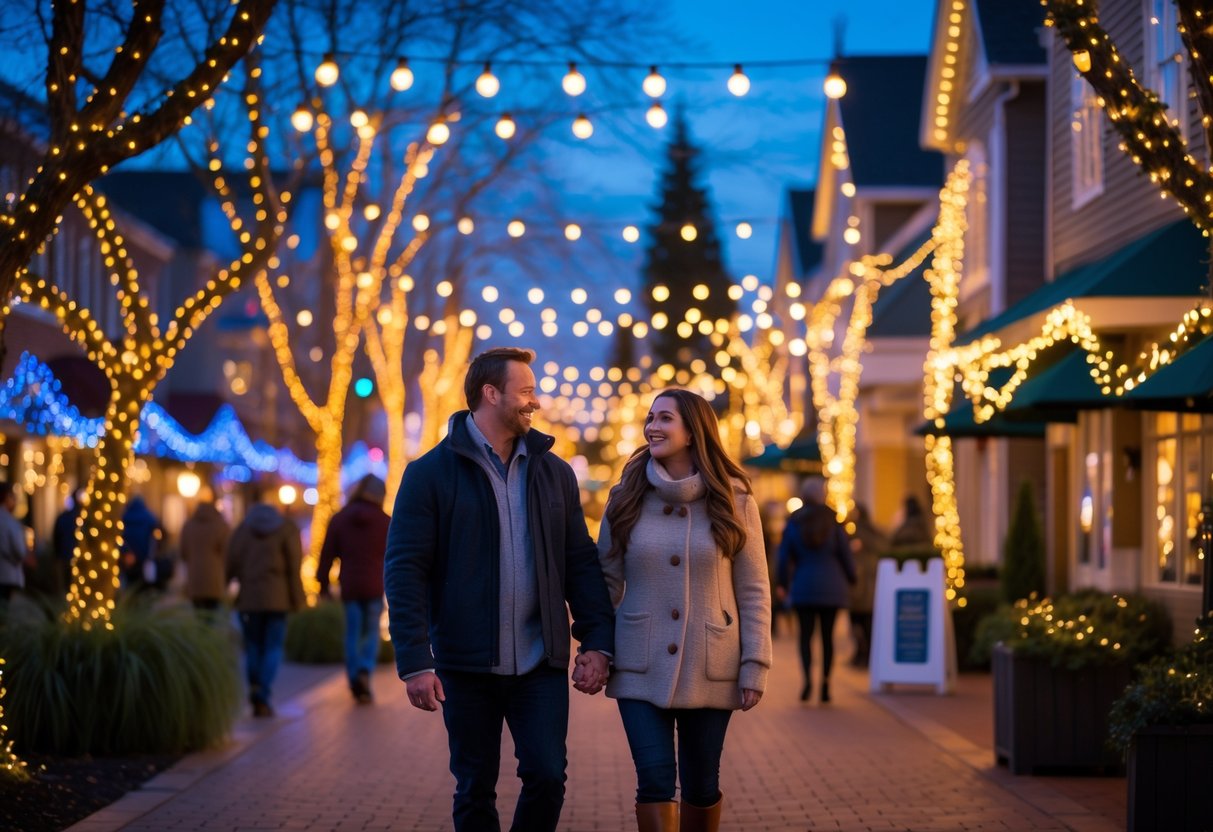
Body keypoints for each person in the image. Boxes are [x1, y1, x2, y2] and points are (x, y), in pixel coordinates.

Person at [384, 346, 614, 832]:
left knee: (548, 777)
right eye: (526, 391)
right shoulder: (429, 474)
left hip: (539, 662)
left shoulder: (554, 473)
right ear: (491, 394)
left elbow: (579, 561)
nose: (535, 402)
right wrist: (415, 661)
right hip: (465, 665)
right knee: (474, 787)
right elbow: (405, 570)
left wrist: (597, 641)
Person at [597, 389, 772, 832]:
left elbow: (753, 590)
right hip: (638, 661)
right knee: (654, 778)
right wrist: (596, 647)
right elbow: (605, 582)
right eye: (650, 417)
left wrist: (755, 665)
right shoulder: (626, 497)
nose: (652, 426)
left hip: (712, 662)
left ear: (693, 432)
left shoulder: (736, 501)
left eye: (665, 418)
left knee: (701, 784)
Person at [776, 477, 856, 704]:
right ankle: (826, 683)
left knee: (805, 637)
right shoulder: (834, 521)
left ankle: (807, 681)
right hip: (832, 586)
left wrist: (782, 583)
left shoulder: (793, 522)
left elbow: (783, 557)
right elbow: (845, 553)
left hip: (803, 587)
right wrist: (852, 577)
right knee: (828, 638)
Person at [226, 492, 305, 717]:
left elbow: (231, 560)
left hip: (249, 599)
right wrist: (297, 599)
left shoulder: (243, 529)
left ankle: (254, 685)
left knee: (252, 645)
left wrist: (228, 583)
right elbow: (294, 566)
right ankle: (263, 691)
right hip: (278, 600)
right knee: (273, 647)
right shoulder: (286, 529)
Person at [317, 473, 390, 704]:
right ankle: (365, 671)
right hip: (375, 586)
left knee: (352, 634)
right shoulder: (386, 521)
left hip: (349, 585)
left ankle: (353, 677)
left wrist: (323, 585)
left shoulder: (340, 518)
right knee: (371, 633)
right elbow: (395, 556)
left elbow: (326, 555)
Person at [846, 503, 888, 668]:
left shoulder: (863, 534)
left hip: (863, 587)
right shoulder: (857, 534)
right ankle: (863, 653)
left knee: (862, 623)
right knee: (862, 623)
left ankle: (866, 654)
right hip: (860, 588)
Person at [179, 487, 231, 612]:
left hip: (195, 580)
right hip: (215, 582)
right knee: (211, 618)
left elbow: (183, 552)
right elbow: (227, 553)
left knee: (198, 618)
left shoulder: (189, 525)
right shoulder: (221, 525)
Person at [119, 495, 163, 595]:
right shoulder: (149, 517)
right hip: (144, 556)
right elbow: (156, 537)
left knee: (129, 583)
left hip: (128, 557)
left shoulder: (124, 517)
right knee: (142, 583)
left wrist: (126, 551)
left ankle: (130, 603)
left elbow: (120, 538)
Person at [52, 487, 85, 596]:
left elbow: (56, 538)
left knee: (67, 587)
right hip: (78, 558)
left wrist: (57, 555)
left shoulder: (63, 517)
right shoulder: (83, 518)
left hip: (65, 556)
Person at [0, 482, 29, 606]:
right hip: (7, 574)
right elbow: (19, 550)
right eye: (13, 497)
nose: (16, 501)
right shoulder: (10, 522)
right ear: (6, 497)